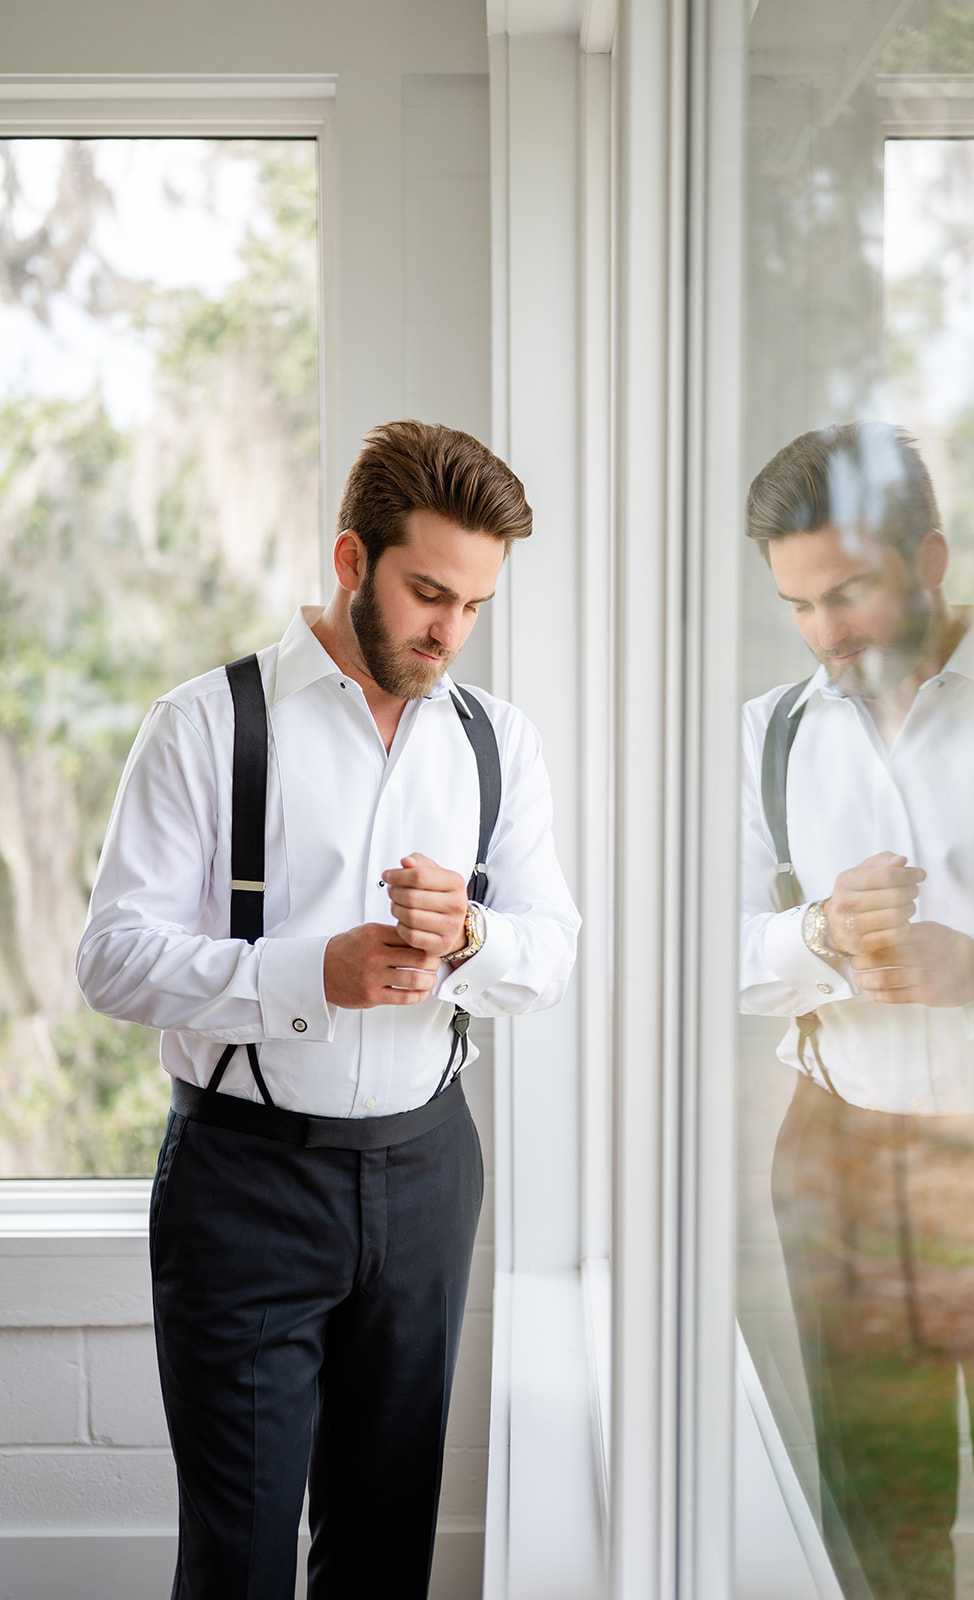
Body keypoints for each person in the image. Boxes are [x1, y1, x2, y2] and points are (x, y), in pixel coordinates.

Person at [76, 419, 580, 1600]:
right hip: (244, 1181)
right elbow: (113, 958)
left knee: (384, 1550)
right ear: (352, 560)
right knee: (240, 1561)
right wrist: (311, 974)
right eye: (425, 592)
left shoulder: (497, 744)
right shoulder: (205, 724)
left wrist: (467, 939)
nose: (446, 631)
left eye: (472, 604)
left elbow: (550, 955)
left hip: (426, 1171)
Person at [741, 422, 974, 1598]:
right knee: (879, 1524)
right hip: (837, 1158)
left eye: (849, 593)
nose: (826, 634)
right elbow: (704, 957)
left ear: (927, 559)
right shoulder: (763, 739)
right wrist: (821, 937)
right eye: (798, 606)